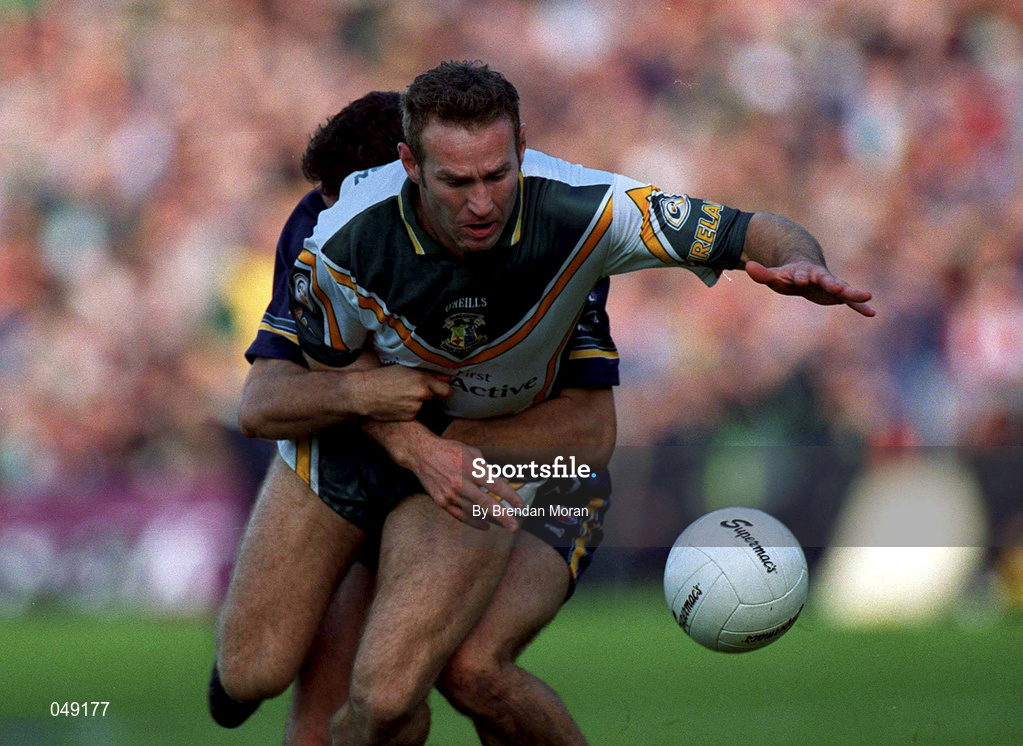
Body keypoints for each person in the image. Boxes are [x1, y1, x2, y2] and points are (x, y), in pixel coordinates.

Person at [290, 61, 873, 746]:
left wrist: (800, 264)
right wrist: (418, 449)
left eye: (497, 175)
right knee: (373, 695)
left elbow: (750, 229)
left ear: (522, 147)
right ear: (409, 164)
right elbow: (332, 371)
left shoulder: (588, 209)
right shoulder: (344, 242)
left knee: (476, 670)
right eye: (456, 181)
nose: (481, 202)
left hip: (555, 474)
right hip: (448, 466)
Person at [212, 91, 621, 745]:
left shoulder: (548, 244)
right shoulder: (320, 219)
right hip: (369, 459)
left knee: (464, 672)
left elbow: (589, 435)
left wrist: (438, 440)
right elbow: (263, 401)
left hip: (522, 470)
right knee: (256, 676)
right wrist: (374, 408)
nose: (338, 220)